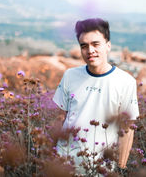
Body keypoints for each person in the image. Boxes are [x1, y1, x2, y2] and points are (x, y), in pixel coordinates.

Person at [53, 18, 139, 174]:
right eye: (84, 46)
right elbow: (59, 118)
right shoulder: (70, 76)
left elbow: (127, 130)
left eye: (95, 44)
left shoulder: (126, 82)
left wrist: (120, 168)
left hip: (101, 168)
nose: (90, 50)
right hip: (64, 163)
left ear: (108, 45)